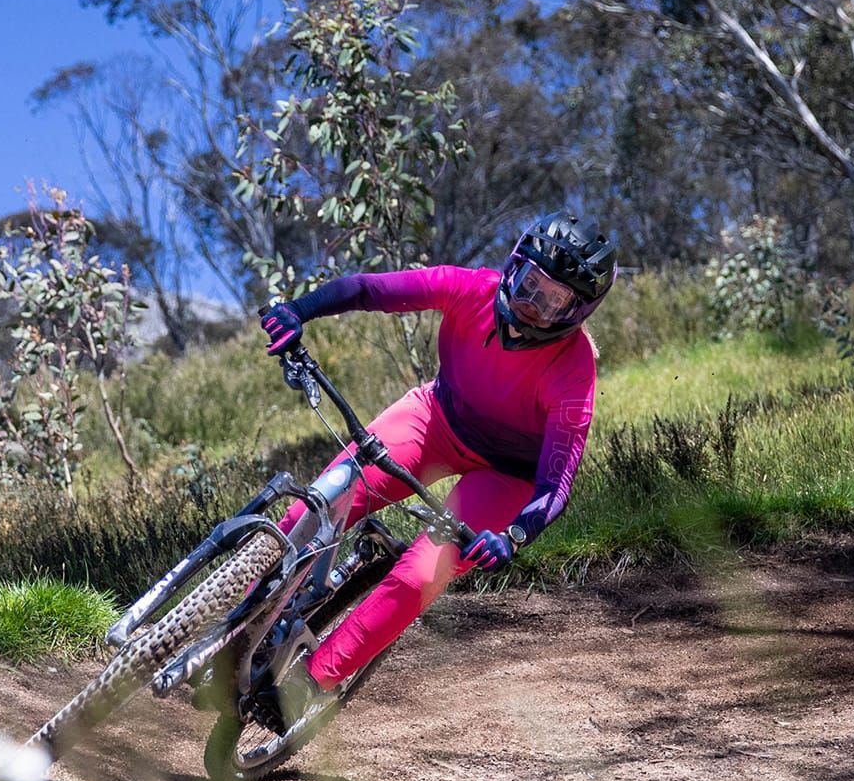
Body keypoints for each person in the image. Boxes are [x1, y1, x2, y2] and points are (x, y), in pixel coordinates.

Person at [256, 213, 617, 726]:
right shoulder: (469, 289)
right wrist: (299, 310)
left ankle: (312, 681)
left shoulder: (575, 368)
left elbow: (556, 485)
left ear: (576, 311)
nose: (529, 302)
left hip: (506, 474)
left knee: (421, 572)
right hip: (437, 419)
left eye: (551, 299)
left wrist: (512, 536)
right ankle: (236, 618)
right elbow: (366, 290)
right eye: (529, 282)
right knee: (321, 501)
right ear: (514, 262)